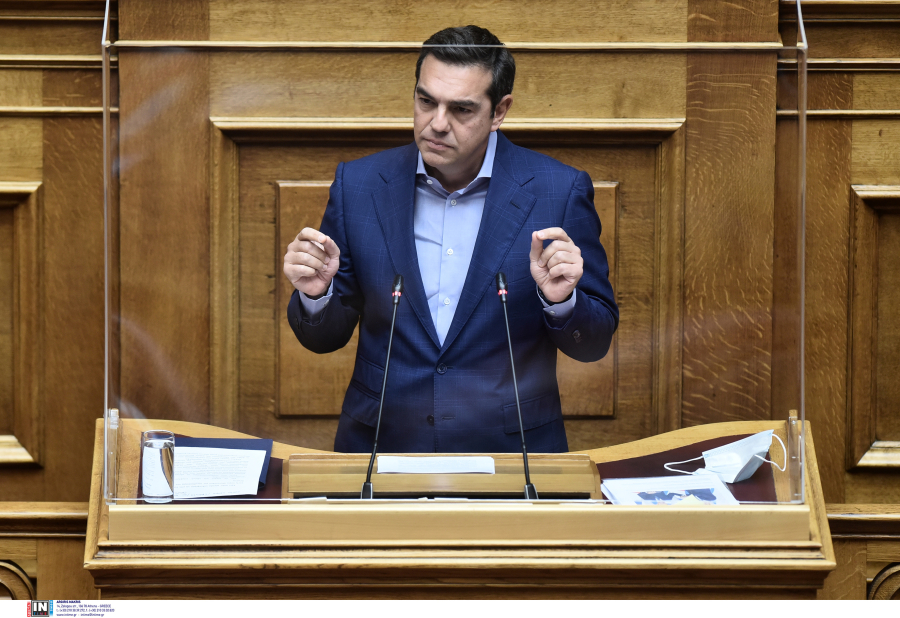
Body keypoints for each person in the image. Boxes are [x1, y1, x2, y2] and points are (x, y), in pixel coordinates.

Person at [283, 25, 618, 453]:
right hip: (382, 446)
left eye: (461, 109)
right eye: (426, 102)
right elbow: (323, 338)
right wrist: (317, 296)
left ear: (499, 112)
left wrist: (562, 302)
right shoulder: (359, 185)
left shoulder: (559, 191)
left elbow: (593, 345)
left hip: (512, 452)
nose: (437, 124)